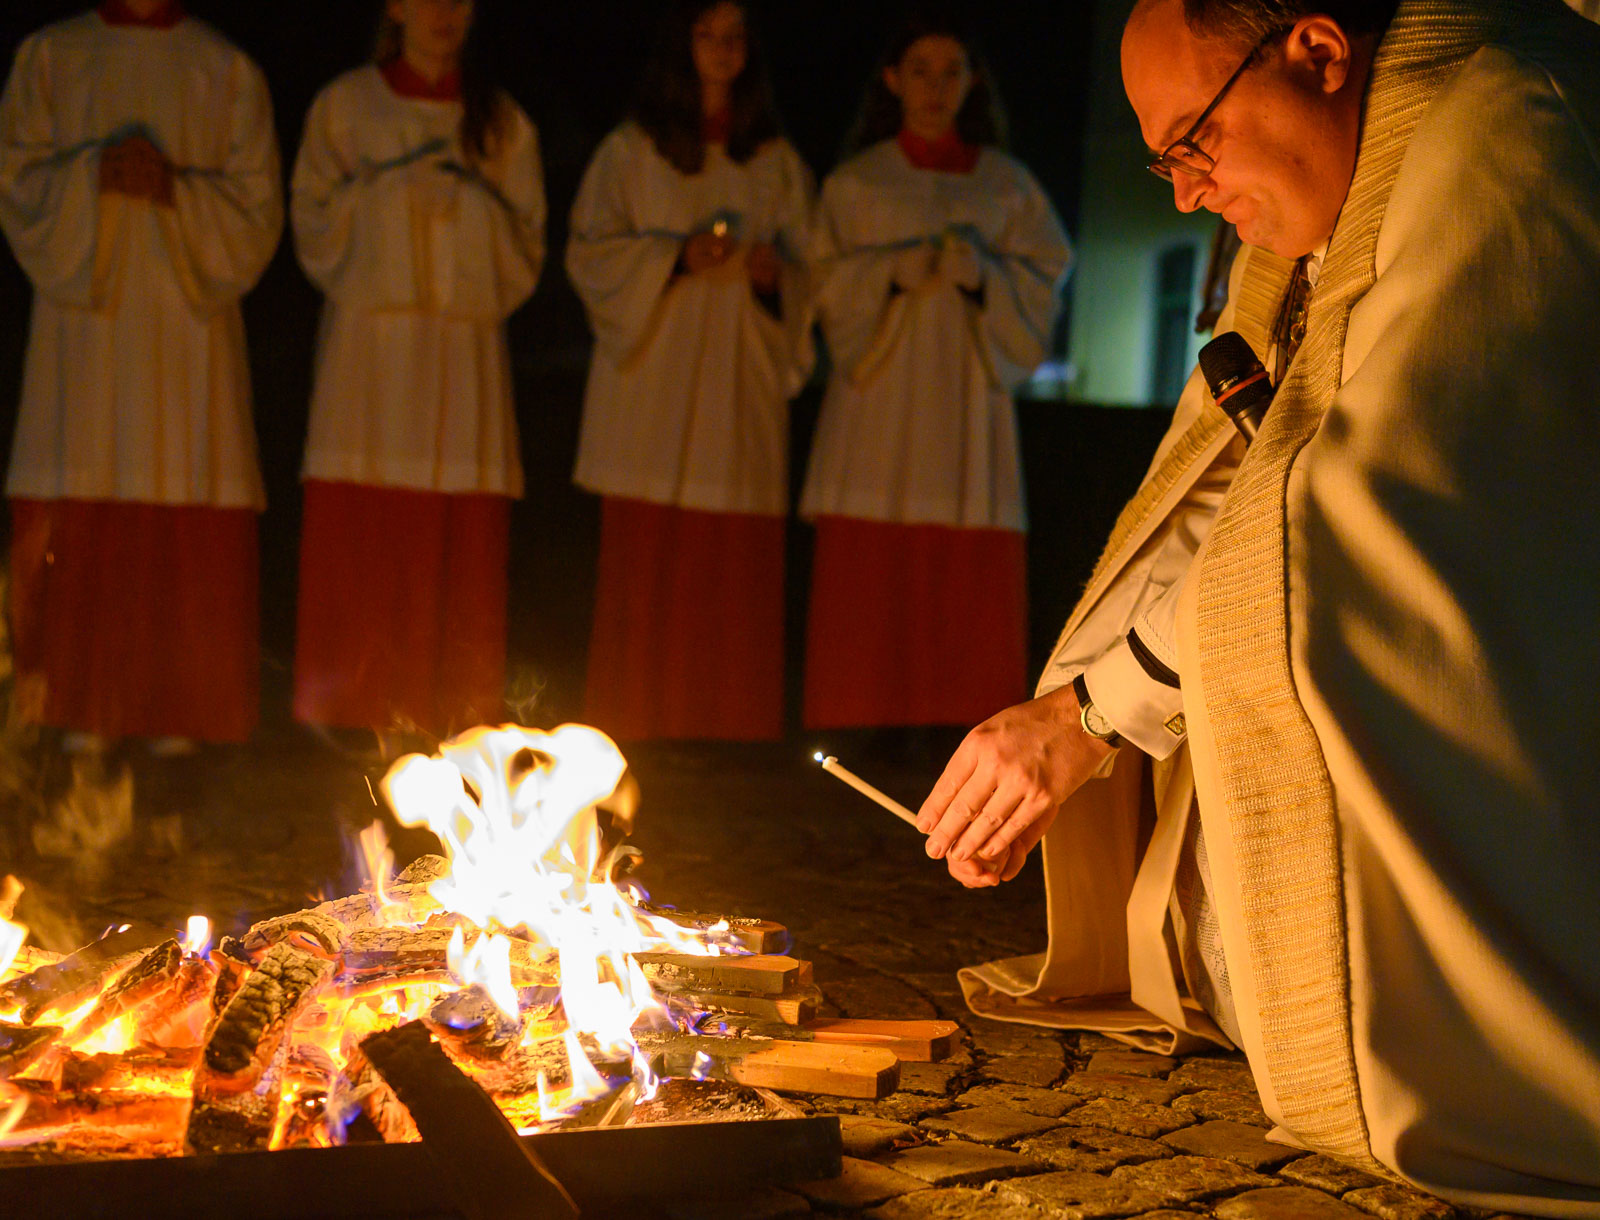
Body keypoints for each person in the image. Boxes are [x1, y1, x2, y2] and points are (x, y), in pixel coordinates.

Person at [915, 0, 1600, 1209]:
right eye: (1163, 161)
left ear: (1320, 53)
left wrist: (1088, 718)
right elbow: (1234, 487)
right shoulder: (1313, 210)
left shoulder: (1506, 129)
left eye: (1194, 144)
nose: (1184, 194)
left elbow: (1354, 518)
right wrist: (1068, 713)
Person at [0, 0, 281, 752]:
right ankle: (80, 706)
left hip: (187, 325)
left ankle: (178, 709)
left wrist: (175, 190)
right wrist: (92, 177)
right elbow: (18, 186)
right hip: (84, 328)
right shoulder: (50, 57)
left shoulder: (224, 70)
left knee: (183, 473)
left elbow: (257, 215)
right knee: (85, 464)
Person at [799, 12, 1072, 731]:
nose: (935, 87)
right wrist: (889, 271)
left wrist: (985, 278)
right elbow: (818, 281)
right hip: (876, 412)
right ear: (892, 80)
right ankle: (856, 718)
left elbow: (1048, 272)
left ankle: (962, 723)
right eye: (920, 70)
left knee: (964, 548)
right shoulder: (858, 184)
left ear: (972, 82)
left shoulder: (1008, 188)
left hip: (966, 410)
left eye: (951, 71)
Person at [290, 0, 545, 742]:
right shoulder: (346, 106)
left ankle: (457, 714)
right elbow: (312, 222)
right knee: (367, 525)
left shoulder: (500, 121)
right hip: (371, 358)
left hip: (463, 359)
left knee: (457, 526)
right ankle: (353, 709)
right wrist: (397, 196)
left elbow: (525, 248)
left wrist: (463, 205)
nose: (445, 13)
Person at [568, 0, 813, 742]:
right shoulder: (633, 150)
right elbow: (590, 251)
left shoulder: (775, 163)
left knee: (726, 563)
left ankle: (723, 723)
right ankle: (632, 720)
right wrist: (672, 257)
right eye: (706, 35)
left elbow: (815, 272)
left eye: (736, 37)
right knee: (648, 557)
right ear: (681, 45)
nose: (721, 51)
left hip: (737, 380)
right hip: (657, 381)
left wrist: (775, 278)